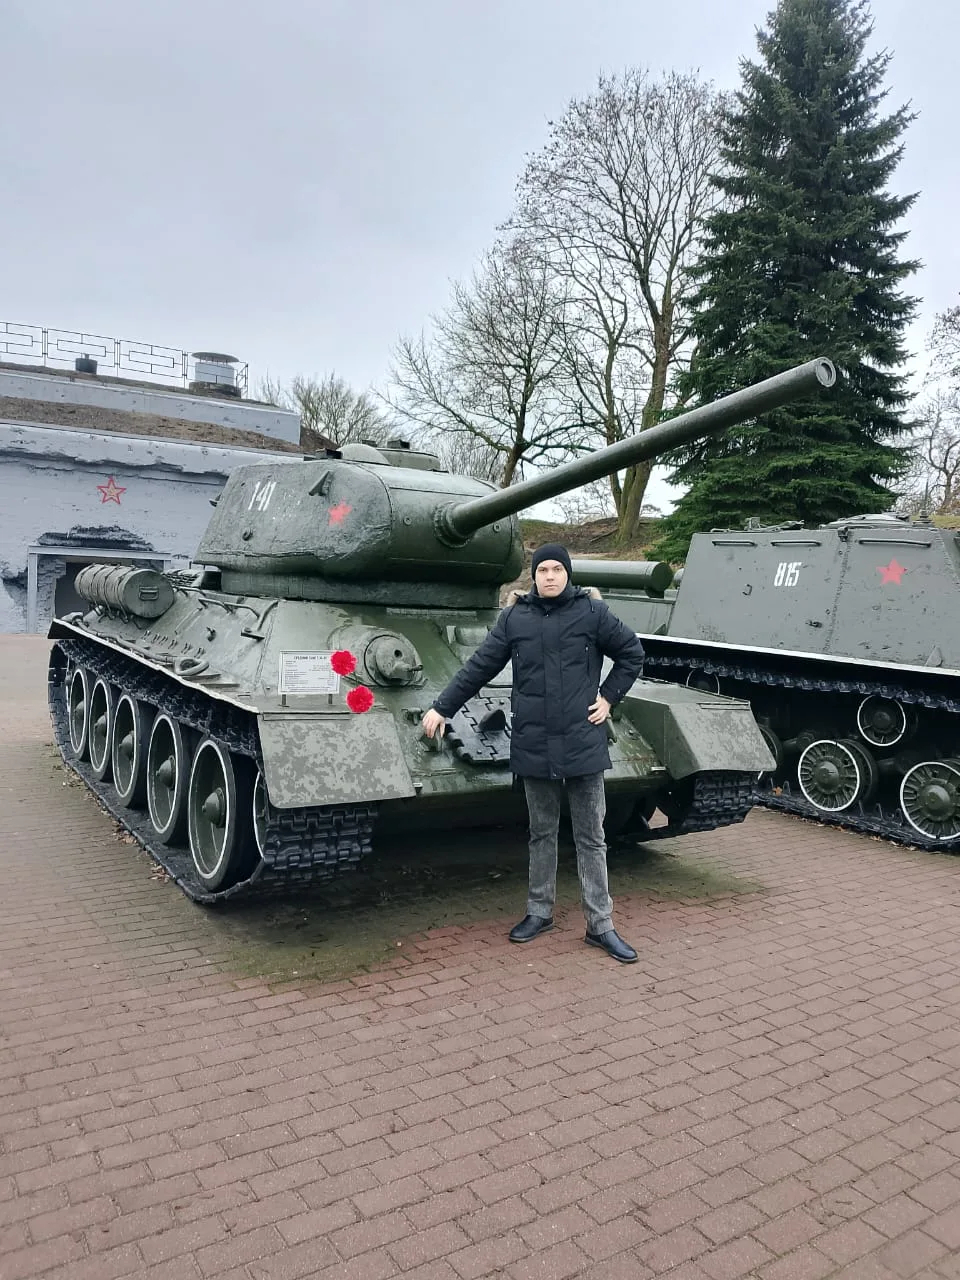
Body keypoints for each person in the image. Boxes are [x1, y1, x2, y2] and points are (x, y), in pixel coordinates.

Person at [421, 543, 645, 963]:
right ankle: (539, 912)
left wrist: (609, 697)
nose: (550, 576)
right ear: (534, 576)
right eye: (543, 570)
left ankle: (601, 925)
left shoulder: (592, 613)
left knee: (591, 837)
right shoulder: (515, 618)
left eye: (557, 569)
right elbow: (480, 666)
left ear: (568, 574)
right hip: (534, 741)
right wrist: (442, 707)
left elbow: (632, 653)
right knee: (541, 833)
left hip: (582, 739)